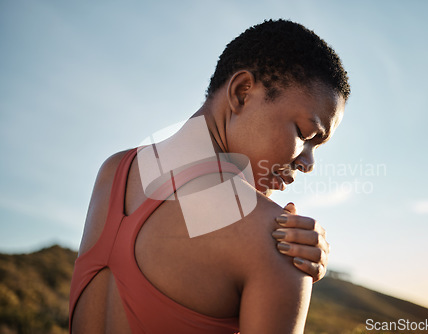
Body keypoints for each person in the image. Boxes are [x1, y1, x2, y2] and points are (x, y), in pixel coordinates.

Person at [69, 19, 350, 333]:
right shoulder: (281, 243)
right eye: (304, 133)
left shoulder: (114, 171)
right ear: (242, 92)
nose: (308, 163)